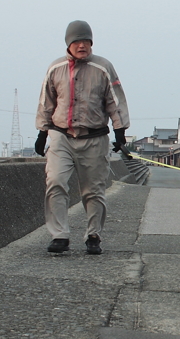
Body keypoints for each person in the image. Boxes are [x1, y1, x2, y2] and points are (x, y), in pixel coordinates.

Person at [34, 20, 130, 254]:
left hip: (95, 138)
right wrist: (42, 132)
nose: (82, 45)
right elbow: (47, 102)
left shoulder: (103, 68)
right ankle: (60, 235)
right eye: (77, 41)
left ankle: (93, 235)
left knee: (93, 190)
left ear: (91, 43)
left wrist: (120, 131)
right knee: (55, 182)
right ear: (68, 43)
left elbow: (115, 101)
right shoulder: (55, 68)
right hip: (61, 136)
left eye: (86, 41)